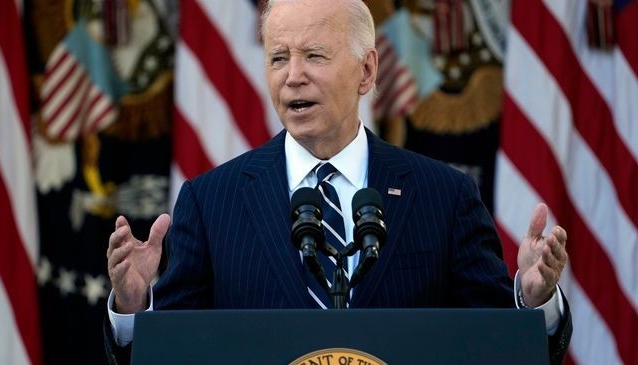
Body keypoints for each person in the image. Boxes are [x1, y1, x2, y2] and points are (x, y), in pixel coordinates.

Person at [105, 0, 572, 363]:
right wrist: (132, 310)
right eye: (278, 58)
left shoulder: (444, 197)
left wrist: (532, 304)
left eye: (314, 56)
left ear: (366, 71)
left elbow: (494, 347)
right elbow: (171, 354)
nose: (293, 77)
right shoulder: (212, 201)